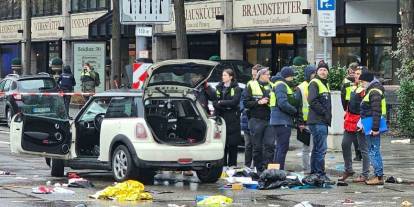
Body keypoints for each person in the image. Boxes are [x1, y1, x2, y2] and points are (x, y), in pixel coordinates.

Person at [339, 66, 371, 182]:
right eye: (355, 73)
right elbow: (348, 102)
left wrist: (364, 122)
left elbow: (368, 107)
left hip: (360, 121)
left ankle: (365, 174)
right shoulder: (353, 87)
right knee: (345, 144)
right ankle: (348, 170)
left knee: (363, 148)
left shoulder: (366, 89)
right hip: (350, 119)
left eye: (358, 73)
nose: (356, 75)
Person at [244, 67, 273, 172]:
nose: (269, 76)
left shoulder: (272, 85)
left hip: (269, 119)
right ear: (261, 75)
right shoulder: (251, 85)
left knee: (269, 145)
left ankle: (268, 169)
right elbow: (245, 103)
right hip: (256, 119)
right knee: (257, 147)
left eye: (269, 74)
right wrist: (258, 102)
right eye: (267, 74)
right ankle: (258, 169)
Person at [359, 71, 386, 185]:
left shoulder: (374, 91)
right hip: (369, 124)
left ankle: (379, 177)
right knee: (373, 150)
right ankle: (377, 175)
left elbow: (376, 111)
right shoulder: (373, 90)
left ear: (367, 81)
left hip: (372, 126)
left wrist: (375, 128)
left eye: (362, 82)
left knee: (373, 151)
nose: (361, 84)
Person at [269, 66, 297, 170]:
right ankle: (279, 171)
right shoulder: (281, 85)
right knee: (282, 147)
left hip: (278, 120)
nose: (292, 79)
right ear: (287, 76)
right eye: (291, 76)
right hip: (282, 120)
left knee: (279, 147)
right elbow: (282, 103)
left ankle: (276, 171)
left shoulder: (278, 84)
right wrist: (294, 110)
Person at [307, 62, 332, 180]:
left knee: (317, 148)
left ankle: (315, 172)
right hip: (318, 120)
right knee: (321, 148)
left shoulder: (324, 84)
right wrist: (324, 112)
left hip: (320, 121)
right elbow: (312, 101)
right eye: (321, 70)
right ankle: (320, 173)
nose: (323, 72)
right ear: (317, 72)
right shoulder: (315, 83)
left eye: (325, 70)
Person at [214, 69, 242, 167]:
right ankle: (223, 166)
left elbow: (234, 102)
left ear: (231, 77)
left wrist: (221, 102)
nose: (223, 77)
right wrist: (223, 104)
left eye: (225, 75)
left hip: (233, 119)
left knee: (233, 145)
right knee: (223, 144)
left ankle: (232, 166)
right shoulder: (218, 87)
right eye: (223, 75)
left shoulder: (237, 88)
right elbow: (214, 102)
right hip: (221, 117)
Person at [295, 65, 317, 173]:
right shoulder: (301, 87)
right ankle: (307, 169)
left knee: (315, 147)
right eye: (313, 73)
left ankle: (313, 168)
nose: (315, 75)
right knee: (306, 147)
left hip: (316, 121)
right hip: (305, 122)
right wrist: (300, 122)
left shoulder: (316, 84)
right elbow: (298, 106)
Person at [341, 62, 362, 161]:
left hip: (351, 109)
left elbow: (343, 96)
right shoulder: (358, 80)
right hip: (354, 109)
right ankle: (359, 153)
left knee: (353, 133)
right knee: (356, 133)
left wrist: (345, 108)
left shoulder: (346, 81)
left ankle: (359, 153)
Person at [240, 64, 260, 168]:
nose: (254, 77)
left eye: (255, 74)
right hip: (247, 118)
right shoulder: (249, 84)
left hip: (258, 119)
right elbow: (242, 100)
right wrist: (244, 109)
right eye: (252, 75)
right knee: (248, 145)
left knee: (257, 145)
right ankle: (247, 166)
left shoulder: (265, 85)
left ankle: (256, 166)